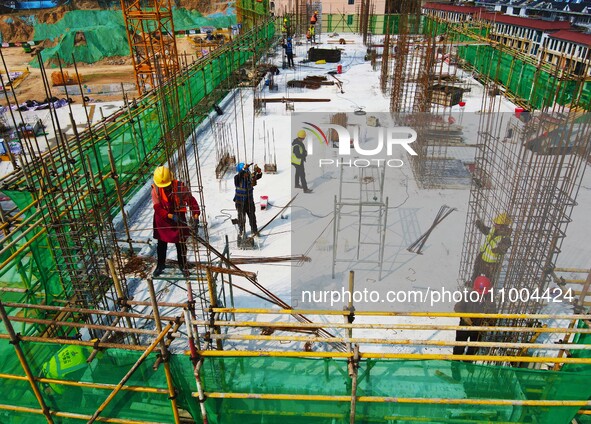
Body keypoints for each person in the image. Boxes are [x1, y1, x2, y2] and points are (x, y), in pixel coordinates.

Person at [152, 166, 200, 277]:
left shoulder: (180, 187)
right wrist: (169, 215)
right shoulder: (156, 189)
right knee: (161, 244)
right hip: (163, 219)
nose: (166, 187)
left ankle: (182, 265)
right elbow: (157, 208)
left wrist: (196, 215)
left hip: (178, 217)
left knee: (181, 244)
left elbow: (191, 200)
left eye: (168, 185)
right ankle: (160, 265)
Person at [451, 275, 496, 380]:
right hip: (465, 325)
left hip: (478, 327)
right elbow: (457, 307)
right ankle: (455, 365)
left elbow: (494, 314)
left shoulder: (490, 299)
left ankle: (468, 360)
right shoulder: (467, 295)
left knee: (474, 346)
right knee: (459, 346)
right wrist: (465, 317)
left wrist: (487, 321)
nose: (481, 296)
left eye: (483, 294)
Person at [471, 213, 512, 283]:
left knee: (489, 278)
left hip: (492, 263)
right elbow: (486, 230)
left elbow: (504, 248)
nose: (494, 224)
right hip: (482, 256)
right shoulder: (493, 230)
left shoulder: (505, 238)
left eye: (497, 224)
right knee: (476, 270)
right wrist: (480, 225)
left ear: (503, 226)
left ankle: (487, 292)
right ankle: (474, 283)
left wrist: (498, 249)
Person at [234, 162, 262, 238]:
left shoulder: (249, 177)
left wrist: (259, 172)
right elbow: (239, 176)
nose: (247, 173)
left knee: (252, 216)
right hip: (240, 202)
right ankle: (241, 231)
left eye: (247, 172)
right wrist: (244, 169)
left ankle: (254, 230)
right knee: (241, 218)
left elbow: (258, 176)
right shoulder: (237, 178)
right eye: (245, 172)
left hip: (249, 201)